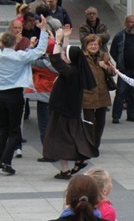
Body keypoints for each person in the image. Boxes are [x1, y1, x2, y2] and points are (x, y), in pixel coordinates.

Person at [0, 14, 49, 175]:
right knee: (14, 130)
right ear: (15, 43)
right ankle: (6, 160)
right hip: (13, 95)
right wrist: (43, 31)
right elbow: (40, 50)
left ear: (1, 43)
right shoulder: (20, 56)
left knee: (2, 128)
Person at [43, 27, 100, 179]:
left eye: (65, 55)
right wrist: (66, 39)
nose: (62, 56)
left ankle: (67, 168)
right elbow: (67, 54)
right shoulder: (76, 69)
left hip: (63, 111)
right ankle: (75, 163)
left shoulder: (70, 72)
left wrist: (57, 40)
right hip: (70, 110)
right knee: (72, 137)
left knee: (61, 140)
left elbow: (55, 59)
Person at [109, 16, 134, 124]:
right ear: (126, 23)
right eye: (130, 22)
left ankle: (131, 114)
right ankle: (116, 115)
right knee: (121, 92)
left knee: (133, 93)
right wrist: (119, 62)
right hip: (124, 70)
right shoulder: (120, 36)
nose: (133, 24)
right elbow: (113, 51)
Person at [81, 34, 115, 150]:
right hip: (87, 94)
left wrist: (105, 67)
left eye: (96, 44)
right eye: (91, 44)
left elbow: (113, 71)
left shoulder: (104, 56)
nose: (93, 46)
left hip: (102, 93)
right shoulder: (82, 57)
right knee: (89, 122)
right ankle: (88, 143)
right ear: (86, 46)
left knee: (100, 122)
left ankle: (96, 144)